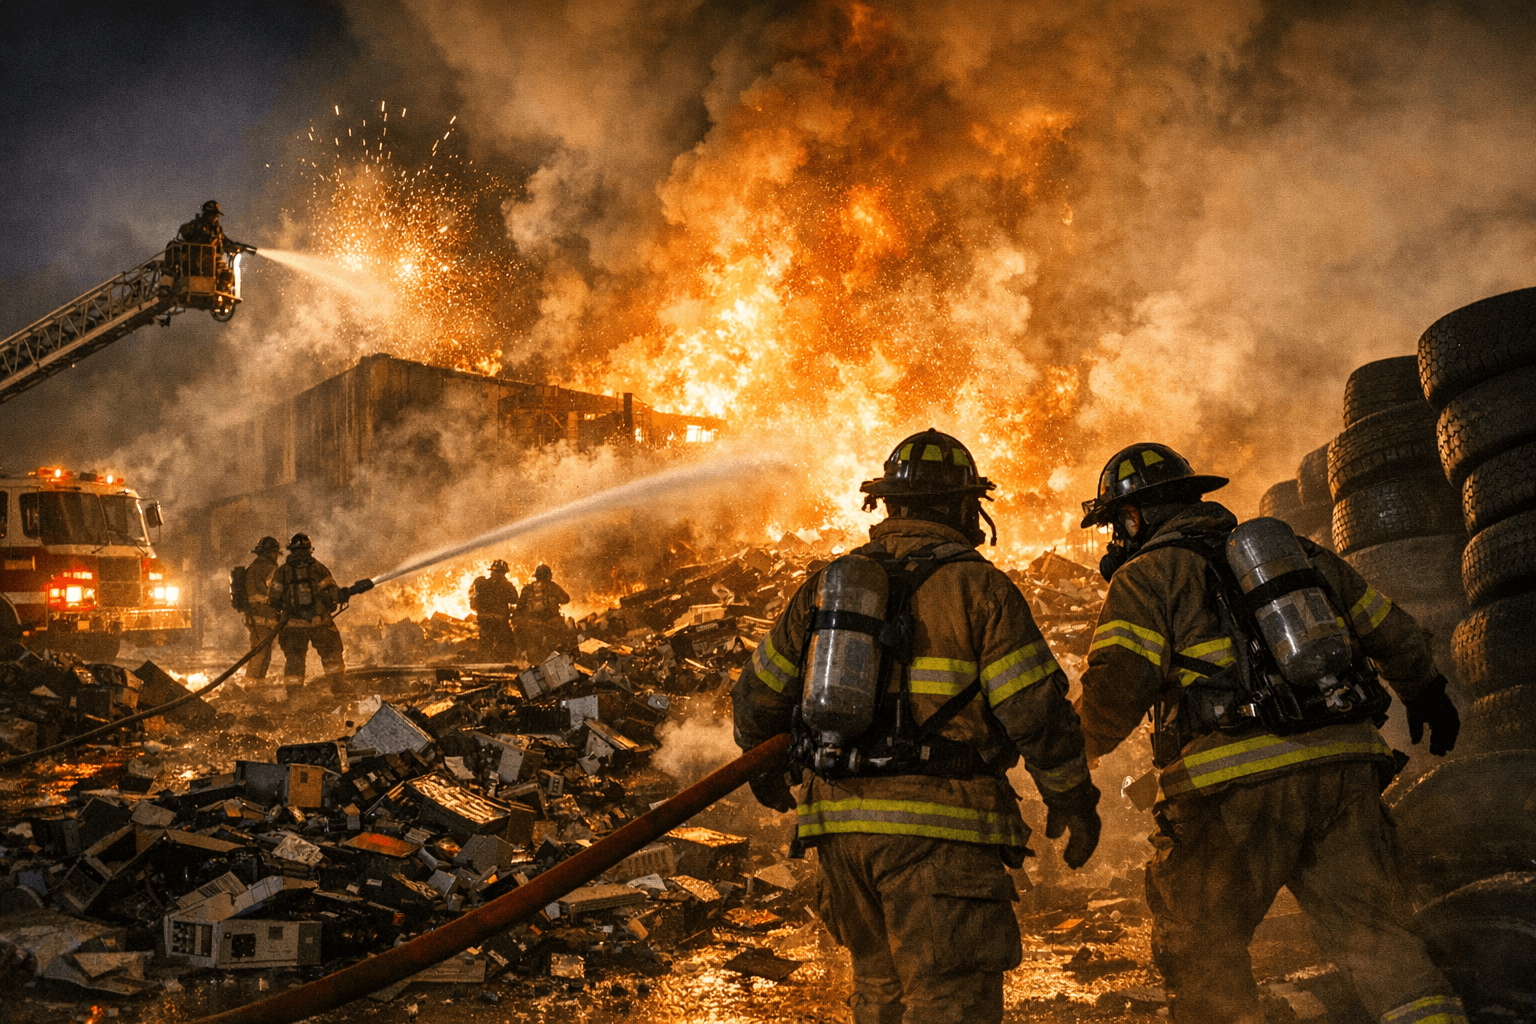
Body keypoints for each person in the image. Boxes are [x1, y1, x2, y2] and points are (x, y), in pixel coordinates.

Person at [1075, 442, 1467, 1024]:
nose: (1116, 539)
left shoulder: (1146, 576)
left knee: (1204, 950)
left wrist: (1065, 758)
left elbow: (1117, 688)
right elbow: (1386, 625)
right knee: (1381, 938)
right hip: (1344, 768)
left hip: (1231, 791)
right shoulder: (1293, 556)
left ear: (1134, 517)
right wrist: (1427, 692)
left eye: (1116, 524)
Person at [733, 429, 1100, 1024]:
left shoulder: (831, 583)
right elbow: (1037, 715)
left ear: (889, 505)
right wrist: (1073, 799)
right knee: (948, 1002)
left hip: (841, 830)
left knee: (879, 996)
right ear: (962, 507)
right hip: (944, 835)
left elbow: (756, 697)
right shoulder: (980, 588)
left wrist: (765, 769)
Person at [268, 533, 346, 690]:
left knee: (295, 659)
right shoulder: (319, 568)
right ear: (310, 550)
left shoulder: (283, 571)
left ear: (291, 551)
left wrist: (282, 612)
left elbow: (273, 598)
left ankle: (294, 695)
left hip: (293, 624)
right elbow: (332, 593)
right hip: (319, 622)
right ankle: (338, 687)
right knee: (331, 655)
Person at [242, 536, 283, 681]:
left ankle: (257, 686)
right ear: (272, 553)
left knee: (261, 652)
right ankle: (251, 688)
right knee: (260, 654)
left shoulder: (252, 568)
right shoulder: (271, 569)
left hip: (253, 617)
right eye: (275, 553)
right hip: (265, 617)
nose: (276, 557)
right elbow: (276, 593)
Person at [514, 563, 570, 660]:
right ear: (549, 575)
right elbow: (566, 599)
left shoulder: (527, 589)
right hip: (552, 625)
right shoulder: (553, 587)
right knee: (558, 650)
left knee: (533, 649)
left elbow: (520, 608)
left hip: (532, 625)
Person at [469, 559, 519, 658]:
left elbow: (473, 601)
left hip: (485, 619)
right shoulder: (506, 586)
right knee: (508, 643)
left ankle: (484, 659)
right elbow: (515, 599)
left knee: (486, 643)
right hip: (499, 619)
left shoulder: (482, 583)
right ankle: (499, 659)